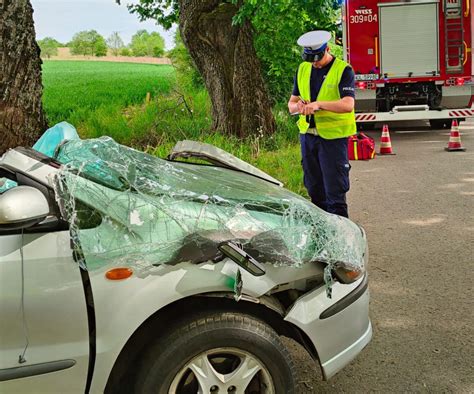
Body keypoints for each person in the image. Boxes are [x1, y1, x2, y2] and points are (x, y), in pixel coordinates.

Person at [288, 30, 356, 218]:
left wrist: (319, 105)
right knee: (315, 191)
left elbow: (348, 104)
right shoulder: (303, 68)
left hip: (332, 140)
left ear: (327, 49)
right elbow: (291, 105)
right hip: (308, 138)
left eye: (317, 58)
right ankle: (321, 237)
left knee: (335, 194)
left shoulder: (343, 70)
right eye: (310, 59)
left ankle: (341, 240)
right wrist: (299, 106)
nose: (314, 63)